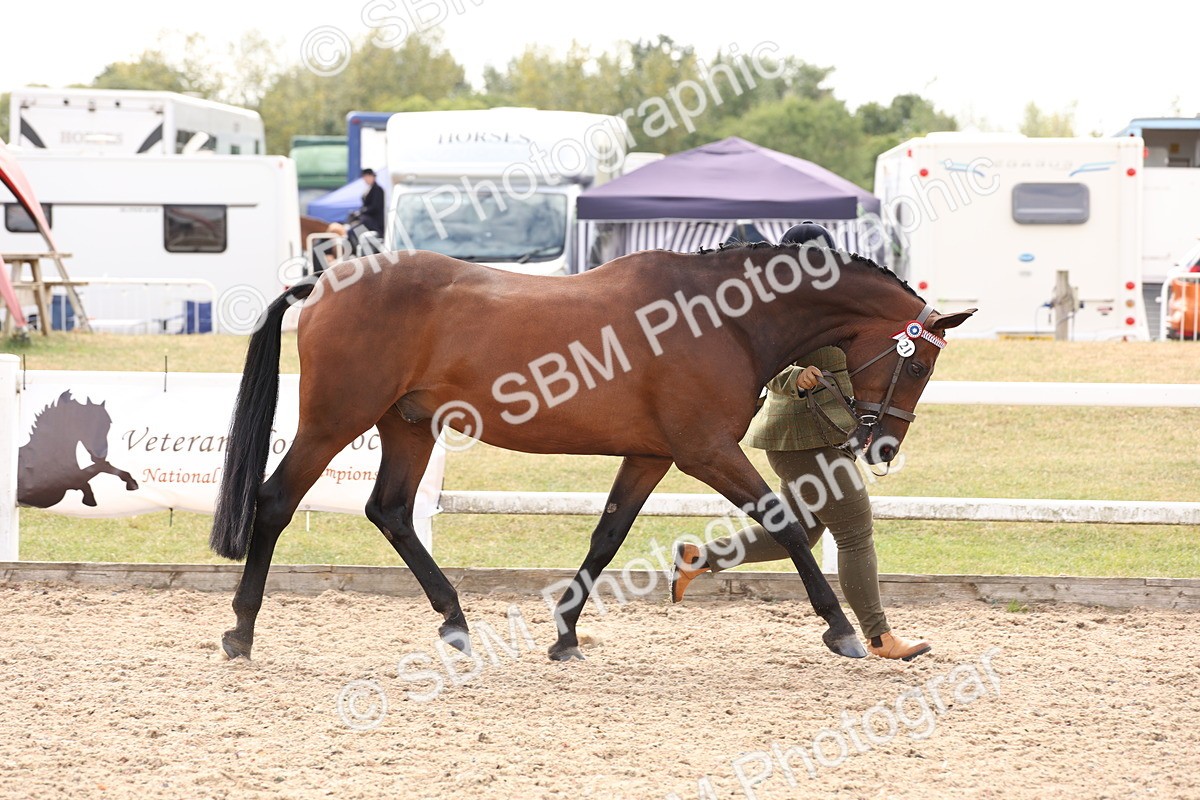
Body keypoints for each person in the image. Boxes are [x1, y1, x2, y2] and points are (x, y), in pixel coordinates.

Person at [670, 222, 932, 661]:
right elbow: (758, 363)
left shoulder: (836, 305)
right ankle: (878, 636)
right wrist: (796, 376)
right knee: (853, 529)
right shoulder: (778, 311)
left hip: (827, 434)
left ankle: (699, 558)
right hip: (800, 437)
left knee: (801, 534)